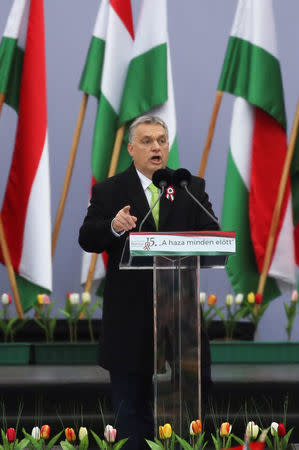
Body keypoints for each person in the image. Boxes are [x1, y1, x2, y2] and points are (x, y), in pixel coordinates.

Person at [78, 115, 219, 449]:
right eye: (147, 141)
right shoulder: (110, 190)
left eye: (161, 140)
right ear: (131, 148)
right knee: (131, 418)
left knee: (191, 417)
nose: (156, 147)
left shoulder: (188, 187)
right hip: (129, 320)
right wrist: (113, 226)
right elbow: (87, 238)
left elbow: (214, 233)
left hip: (181, 319)